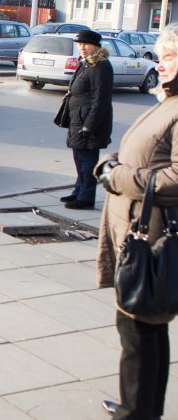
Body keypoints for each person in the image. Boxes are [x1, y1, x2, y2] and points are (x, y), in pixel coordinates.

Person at [95, 23, 178, 419]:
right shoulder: (168, 101)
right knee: (147, 328)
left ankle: (136, 413)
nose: (161, 65)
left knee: (139, 328)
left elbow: (176, 177)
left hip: (151, 236)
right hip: (136, 227)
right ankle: (141, 409)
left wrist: (118, 176)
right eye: (161, 57)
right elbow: (146, 152)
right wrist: (112, 161)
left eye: (171, 58)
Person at [57, 29, 113, 210]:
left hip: (89, 123)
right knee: (79, 159)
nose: (82, 48)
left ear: (95, 46)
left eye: (85, 44)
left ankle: (86, 198)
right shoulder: (86, 63)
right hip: (77, 119)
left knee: (87, 162)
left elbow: (101, 99)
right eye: (80, 45)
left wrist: (90, 125)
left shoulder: (101, 66)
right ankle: (78, 192)